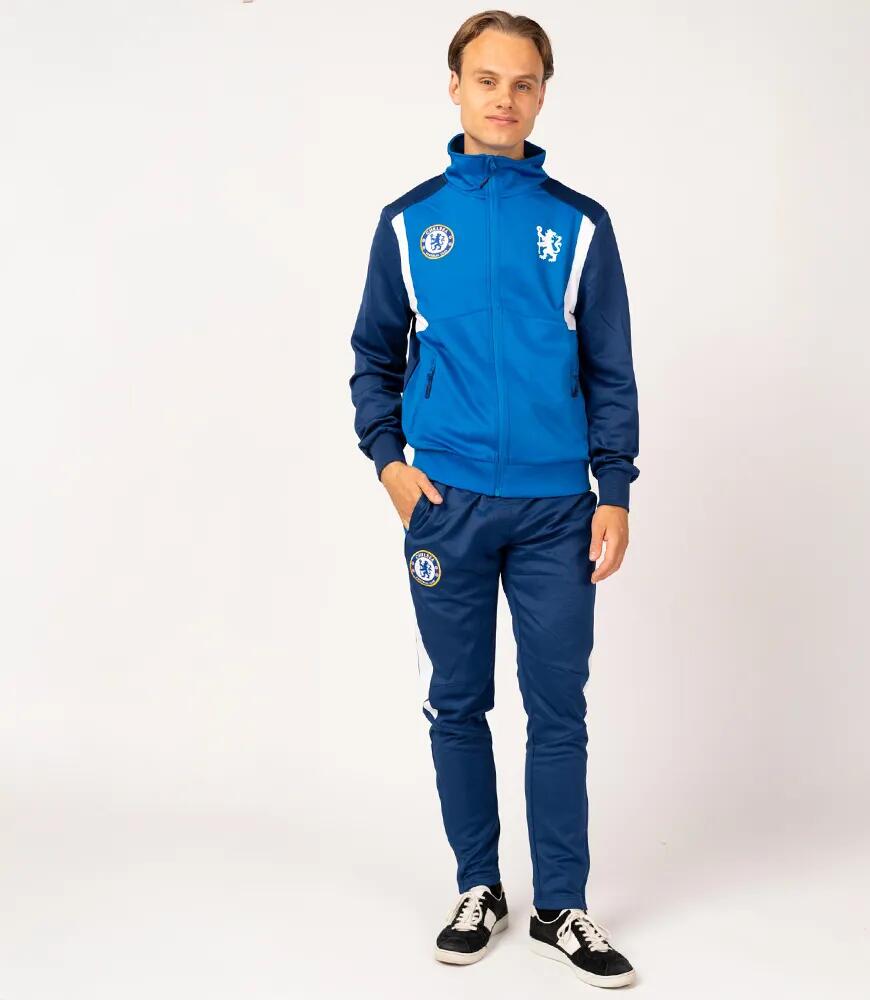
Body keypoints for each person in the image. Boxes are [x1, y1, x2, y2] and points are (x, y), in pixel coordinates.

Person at [349, 10, 639, 989]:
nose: (504, 98)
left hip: (559, 508)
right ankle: (479, 885)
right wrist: (389, 462)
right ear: (454, 87)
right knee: (458, 702)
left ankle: (561, 904)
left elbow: (610, 369)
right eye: (486, 79)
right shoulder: (407, 222)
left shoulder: (581, 224)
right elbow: (372, 356)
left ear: (543, 95)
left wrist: (614, 488)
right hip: (448, 504)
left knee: (559, 709)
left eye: (523, 83)